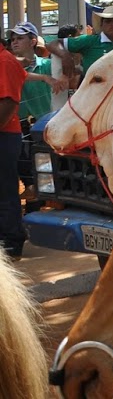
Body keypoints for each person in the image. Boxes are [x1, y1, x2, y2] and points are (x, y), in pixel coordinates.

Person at [49, 6, 113, 79]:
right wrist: (65, 56)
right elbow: (53, 44)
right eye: (108, 21)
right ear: (101, 25)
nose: (112, 24)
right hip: (93, 95)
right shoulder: (89, 41)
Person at [1, 44, 27, 257]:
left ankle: (11, 241)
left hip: (4, 134)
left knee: (5, 189)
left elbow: (10, 102)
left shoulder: (5, 61)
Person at [9, 24, 58, 124]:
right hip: (16, 127)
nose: (14, 42)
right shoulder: (7, 67)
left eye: (20, 38)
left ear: (32, 42)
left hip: (47, 124)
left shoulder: (49, 66)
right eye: (12, 39)